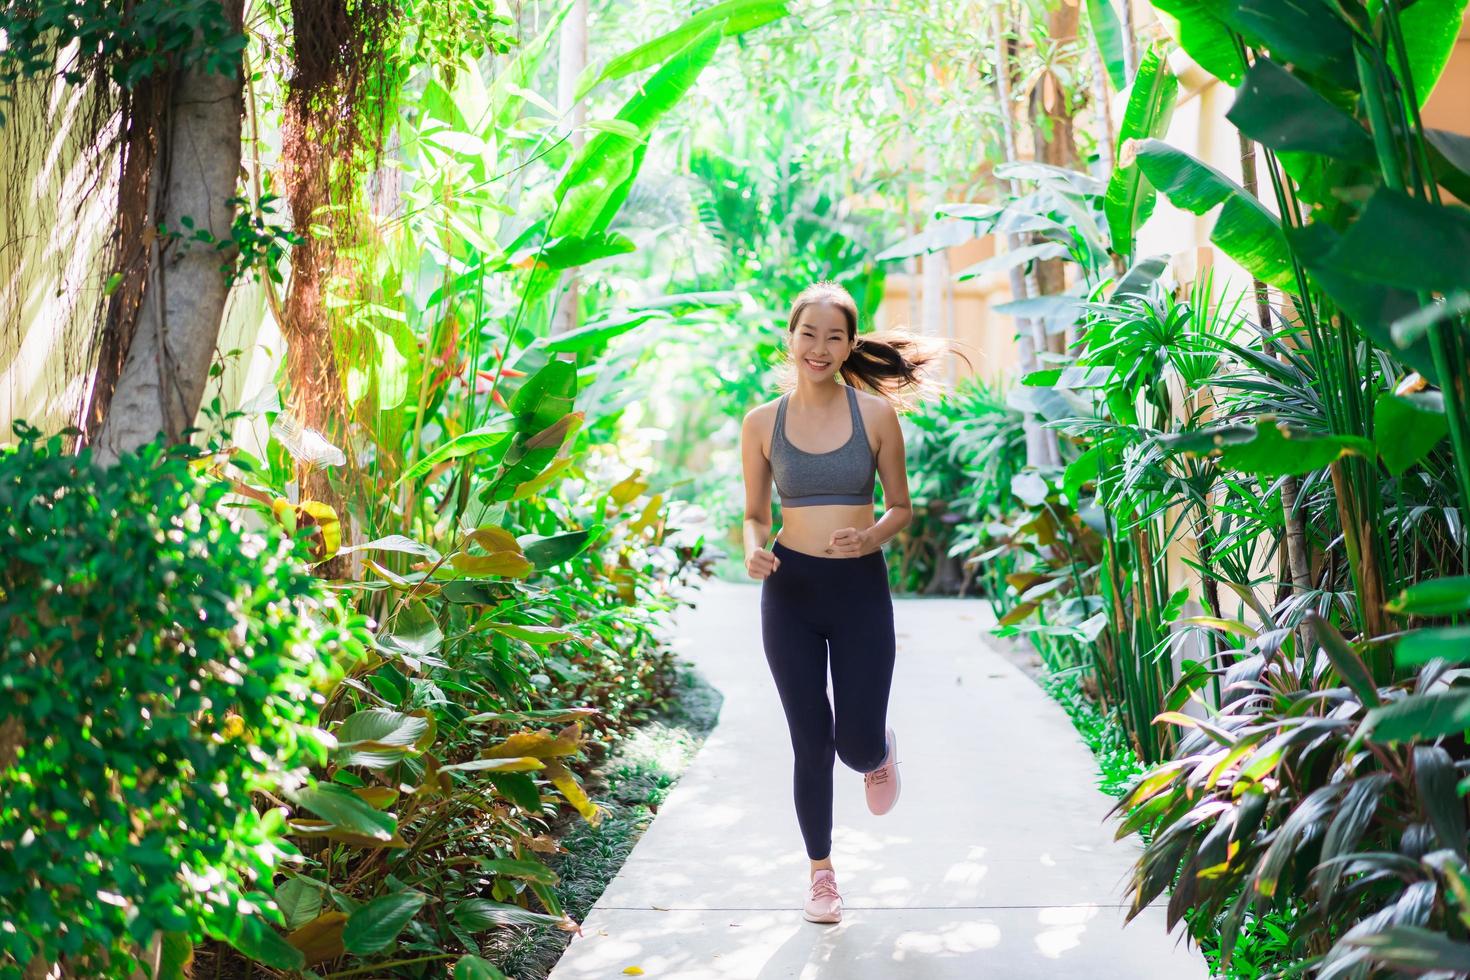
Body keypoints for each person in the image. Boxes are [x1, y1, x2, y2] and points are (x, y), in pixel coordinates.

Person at [739, 279, 957, 925]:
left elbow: (902, 508)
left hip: (860, 589)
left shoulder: (876, 417)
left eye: (835, 336)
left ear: (849, 344)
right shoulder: (760, 423)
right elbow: (754, 514)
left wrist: (870, 535)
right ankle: (821, 876)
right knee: (810, 741)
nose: (820, 347)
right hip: (790, 593)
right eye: (809, 333)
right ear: (791, 337)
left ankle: (877, 751)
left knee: (852, 747)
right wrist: (754, 549)